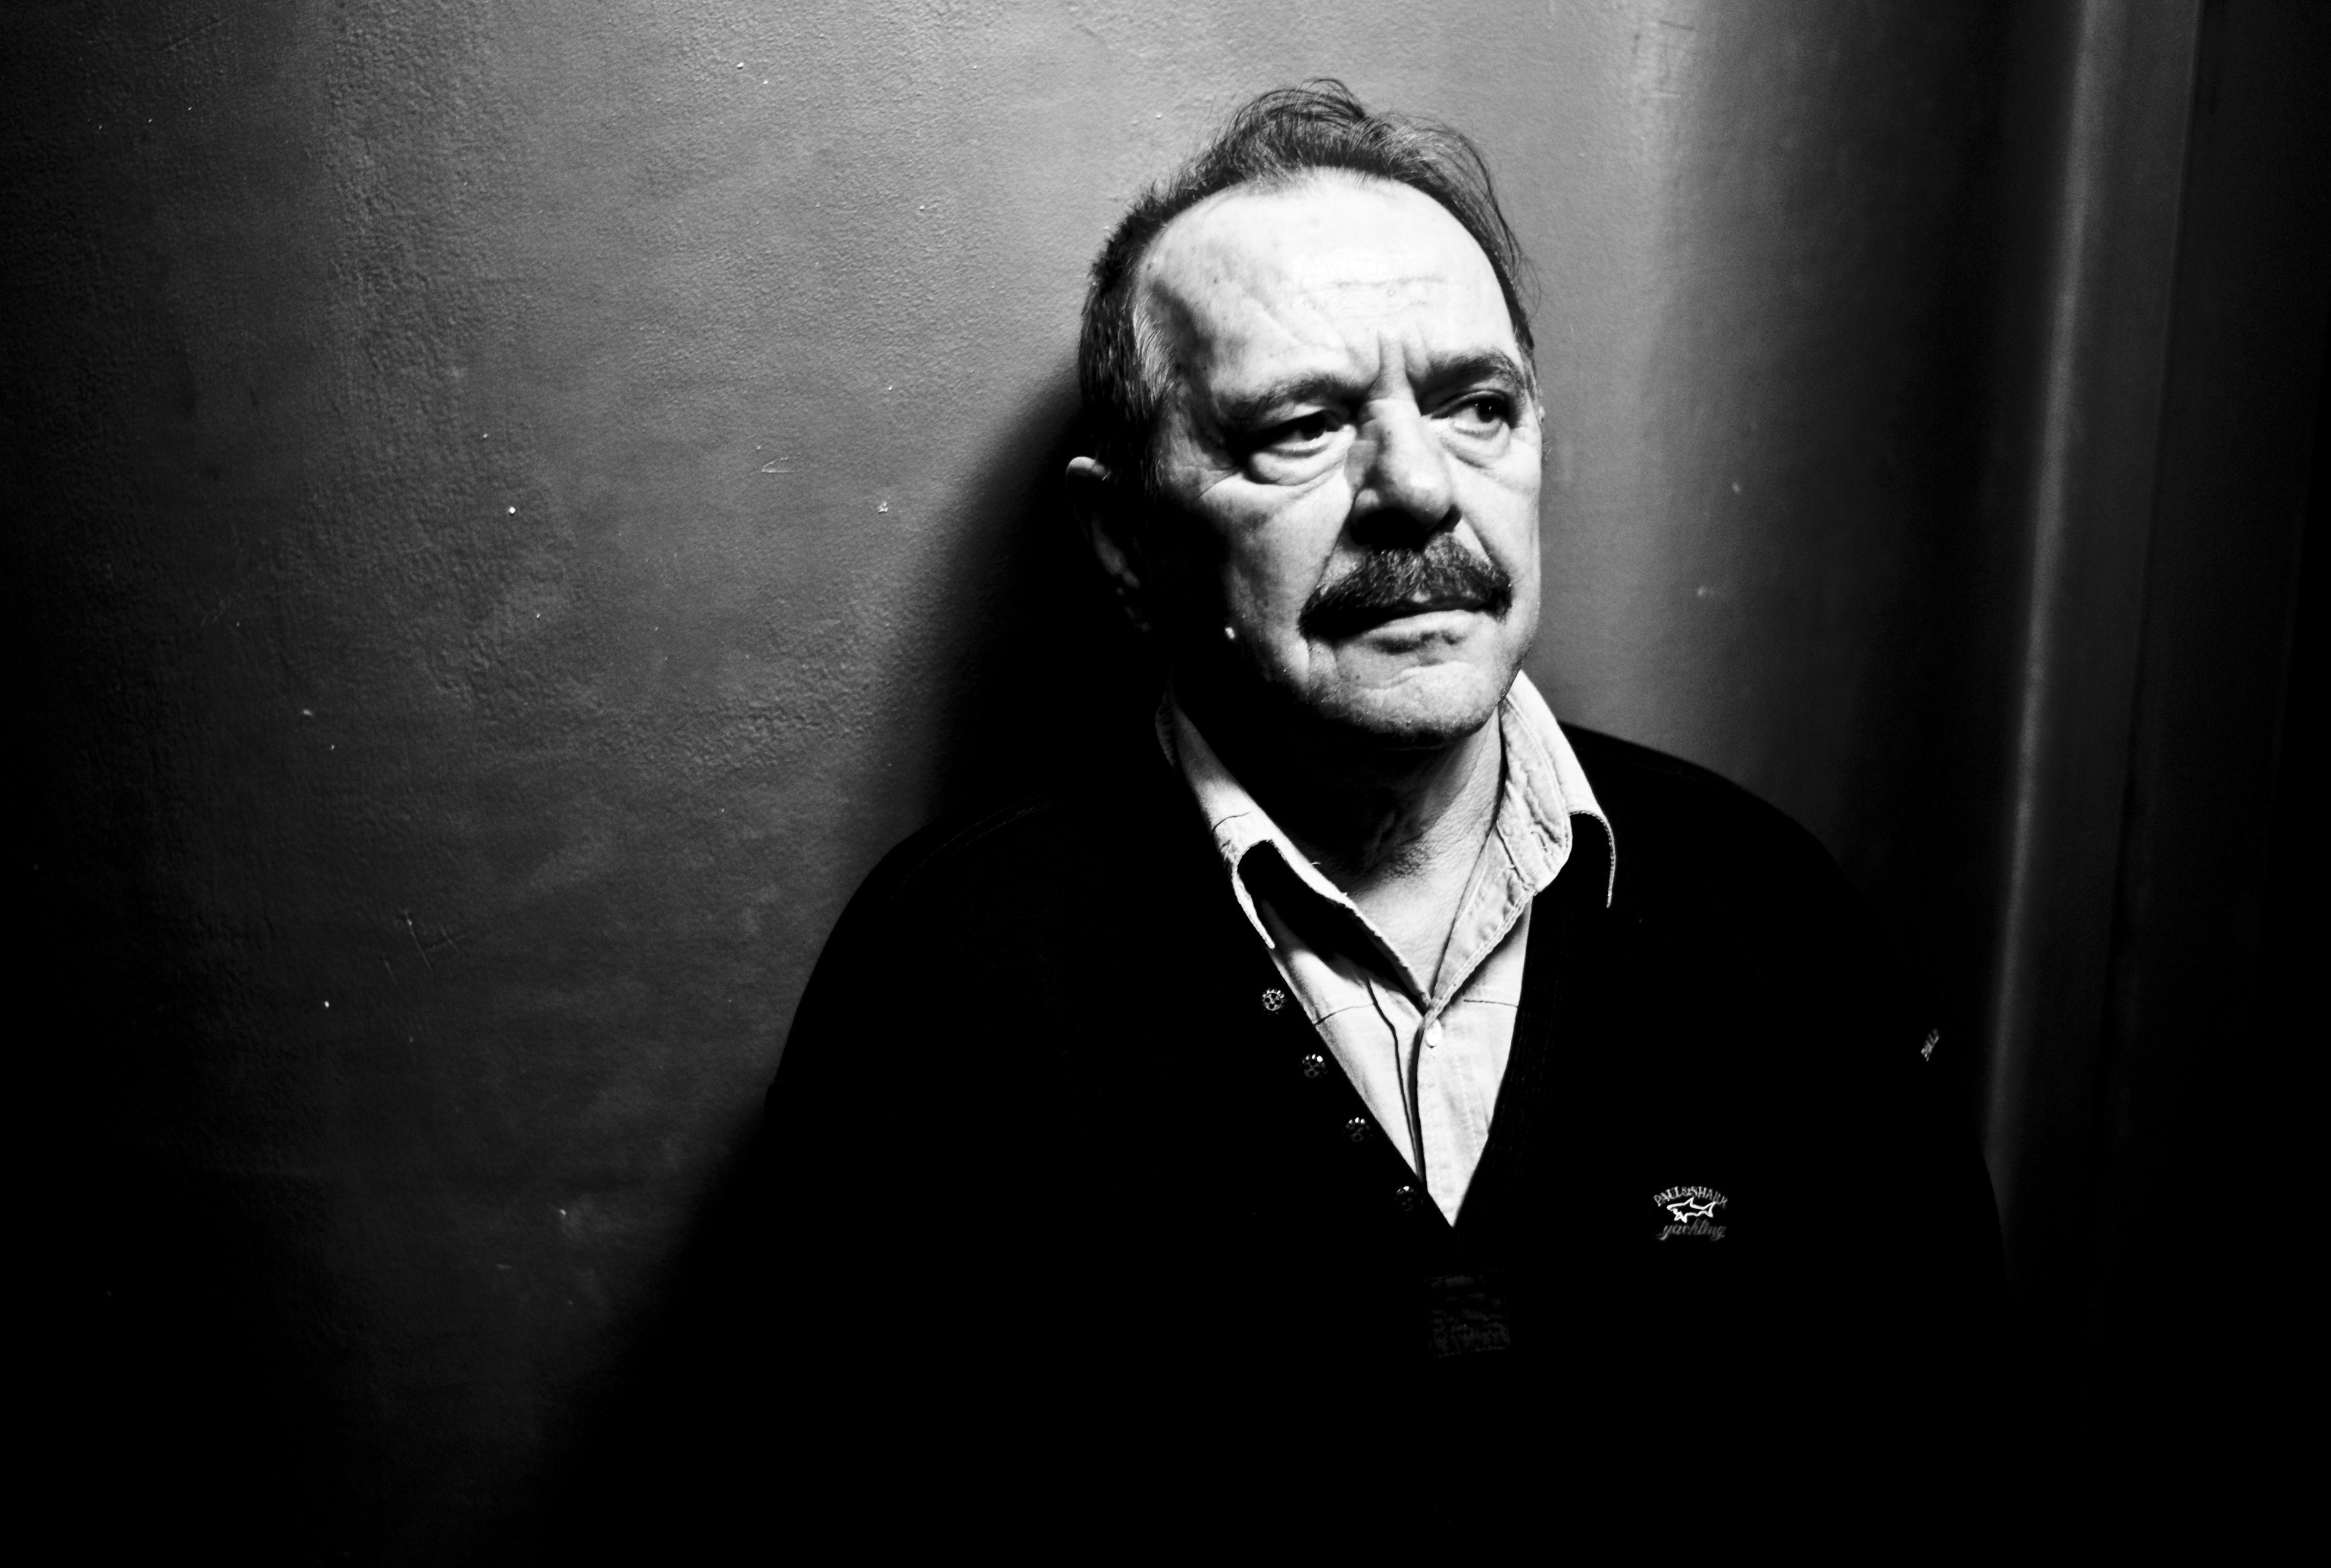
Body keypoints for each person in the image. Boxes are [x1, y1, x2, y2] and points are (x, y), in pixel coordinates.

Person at [754, 82, 2001, 1470]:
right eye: (1300, 426)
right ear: (1123, 540)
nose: (1418, 488)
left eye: (1477, 406)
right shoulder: (949, 975)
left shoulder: (1765, 910)